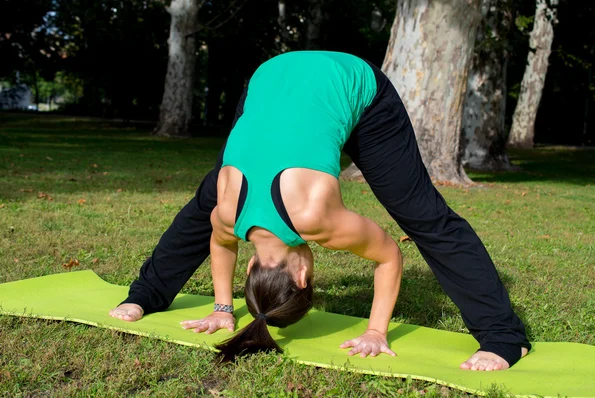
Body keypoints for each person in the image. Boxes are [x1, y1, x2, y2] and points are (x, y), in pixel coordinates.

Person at [109, 51, 531, 370]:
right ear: (252, 262)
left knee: (422, 215)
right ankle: (145, 294)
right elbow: (221, 243)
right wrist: (222, 309)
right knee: (205, 202)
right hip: (269, 76)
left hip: (353, 85)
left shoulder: (312, 216)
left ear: (304, 275)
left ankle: (502, 336)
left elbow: (388, 254)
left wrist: (375, 331)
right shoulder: (227, 211)